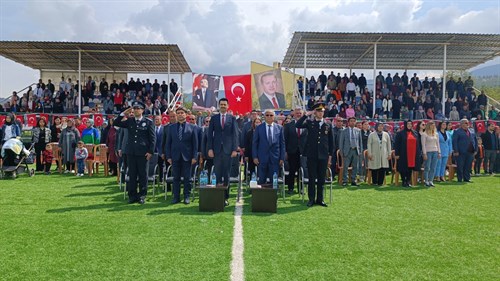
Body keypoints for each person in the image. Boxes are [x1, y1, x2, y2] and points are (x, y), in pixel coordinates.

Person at [114, 101, 155, 204]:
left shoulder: (148, 122)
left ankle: (142, 195)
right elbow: (116, 123)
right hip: (131, 152)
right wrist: (124, 113)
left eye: (138, 108)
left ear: (142, 110)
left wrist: (150, 151)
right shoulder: (130, 121)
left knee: (142, 175)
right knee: (132, 174)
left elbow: (152, 138)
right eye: (135, 108)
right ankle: (132, 196)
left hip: (143, 153)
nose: (136, 110)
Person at [296, 103, 333, 207]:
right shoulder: (310, 123)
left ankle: (320, 199)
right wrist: (306, 115)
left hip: (323, 156)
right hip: (312, 155)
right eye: (318, 111)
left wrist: (330, 156)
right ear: (315, 112)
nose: (320, 113)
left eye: (322, 111)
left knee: (321, 179)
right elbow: (297, 125)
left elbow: (331, 142)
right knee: (312, 178)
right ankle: (311, 199)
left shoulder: (328, 125)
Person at [207, 98, 239, 206]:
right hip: (216, 150)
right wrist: (210, 149)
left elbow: (235, 135)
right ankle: (217, 196)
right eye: (221, 104)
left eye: (225, 104)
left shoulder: (232, 118)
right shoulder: (214, 118)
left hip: (228, 150)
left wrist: (234, 149)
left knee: (226, 174)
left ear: (228, 106)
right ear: (219, 106)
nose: (223, 106)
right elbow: (210, 135)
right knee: (217, 174)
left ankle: (225, 197)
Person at [165, 107, 198, 204]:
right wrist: (169, 157)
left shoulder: (192, 127)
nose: (180, 114)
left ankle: (186, 196)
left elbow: (195, 144)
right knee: (176, 178)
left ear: (185, 115)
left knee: (187, 178)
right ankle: (176, 197)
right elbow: (168, 143)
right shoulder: (171, 128)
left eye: (182, 113)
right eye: (178, 113)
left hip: (187, 157)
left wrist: (194, 157)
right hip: (175, 156)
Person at [252, 109, 285, 185]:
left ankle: (273, 196)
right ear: (264, 117)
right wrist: (255, 157)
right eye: (267, 115)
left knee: (274, 181)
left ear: (274, 117)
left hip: (275, 158)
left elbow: (282, 144)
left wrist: (282, 158)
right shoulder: (259, 128)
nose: (269, 117)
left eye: (271, 115)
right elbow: (255, 144)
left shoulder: (279, 128)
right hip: (262, 158)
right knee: (261, 180)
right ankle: (261, 196)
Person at [284, 107, 307, 194]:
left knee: (302, 170)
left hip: (303, 152)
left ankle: (300, 189)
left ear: (302, 114)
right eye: (297, 113)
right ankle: (290, 188)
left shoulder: (307, 124)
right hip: (292, 151)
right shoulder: (288, 125)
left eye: (300, 113)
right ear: (294, 114)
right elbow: (285, 139)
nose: (298, 115)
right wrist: (285, 151)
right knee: (292, 170)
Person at [394, 121, 421, 187]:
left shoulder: (415, 133)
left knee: (410, 167)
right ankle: (404, 181)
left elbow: (419, 144)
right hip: (403, 153)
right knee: (403, 167)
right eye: (408, 124)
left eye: (410, 124)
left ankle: (408, 181)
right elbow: (396, 144)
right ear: (405, 124)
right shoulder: (400, 133)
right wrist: (397, 154)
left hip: (413, 154)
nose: (409, 125)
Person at [339, 117, 364, 186]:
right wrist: (341, 152)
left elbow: (360, 142)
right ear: (348, 122)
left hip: (355, 150)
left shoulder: (358, 131)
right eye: (351, 121)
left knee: (355, 166)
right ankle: (345, 180)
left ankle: (353, 180)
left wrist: (360, 151)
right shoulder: (344, 131)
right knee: (346, 166)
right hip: (347, 150)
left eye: (354, 121)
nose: (353, 122)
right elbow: (341, 142)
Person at [452, 119, 477, 183]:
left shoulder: (472, 131)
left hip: (470, 151)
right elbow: (455, 142)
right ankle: (460, 179)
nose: (467, 124)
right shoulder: (457, 131)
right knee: (460, 166)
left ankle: (467, 178)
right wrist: (456, 151)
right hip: (461, 152)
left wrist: (475, 149)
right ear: (461, 124)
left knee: (468, 166)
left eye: (467, 123)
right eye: (465, 123)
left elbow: (475, 141)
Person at [421, 121, 441, 187]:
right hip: (428, 151)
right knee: (427, 167)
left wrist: (439, 152)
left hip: (435, 151)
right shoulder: (424, 134)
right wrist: (424, 153)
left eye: (434, 125)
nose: (433, 126)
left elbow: (438, 144)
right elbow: (423, 145)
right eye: (431, 125)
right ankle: (426, 180)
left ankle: (431, 180)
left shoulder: (436, 134)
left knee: (433, 167)